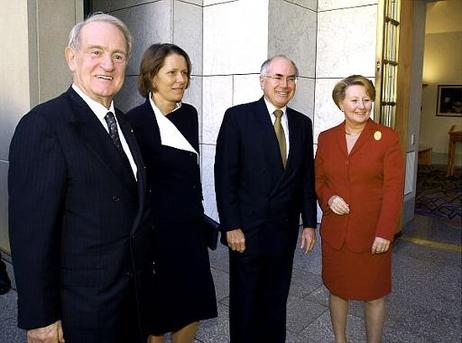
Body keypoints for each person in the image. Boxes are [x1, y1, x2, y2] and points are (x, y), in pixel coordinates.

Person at [8, 13, 152, 343]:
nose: (108, 64)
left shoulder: (126, 125)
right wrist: (41, 318)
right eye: (96, 52)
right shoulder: (44, 126)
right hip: (83, 315)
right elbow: (31, 234)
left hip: (131, 304)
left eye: (118, 55)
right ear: (72, 58)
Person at [214, 55, 317, 343]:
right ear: (262, 81)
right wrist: (230, 225)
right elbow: (225, 176)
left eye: (291, 78)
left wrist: (310, 222)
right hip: (246, 231)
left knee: (276, 299)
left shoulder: (302, 124)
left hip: (283, 231)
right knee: (246, 301)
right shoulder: (238, 117)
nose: (285, 84)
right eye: (277, 77)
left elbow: (306, 176)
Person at [126, 43, 217, 343]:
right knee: (157, 316)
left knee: (192, 307)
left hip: (189, 230)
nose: (181, 80)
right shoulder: (133, 122)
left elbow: (189, 172)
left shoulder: (189, 114)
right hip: (156, 235)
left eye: (185, 73)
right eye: (172, 73)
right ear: (152, 77)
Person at [315, 75, 405, 343]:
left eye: (367, 99)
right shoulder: (327, 138)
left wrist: (385, 232)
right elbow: (318, 180)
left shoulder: (387, 138)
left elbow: (393, 189)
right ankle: (340, 340)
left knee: (374, 295)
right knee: (337, 290)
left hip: (372, 235)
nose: (361, 106)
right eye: (354, 100)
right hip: (336, 234)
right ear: (341, 103)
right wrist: (329, 198)